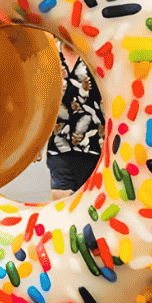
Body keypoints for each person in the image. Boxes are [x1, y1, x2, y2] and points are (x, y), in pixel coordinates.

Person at [45, 40, 103, 200]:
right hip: (59, 144)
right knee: (59, 196)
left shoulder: (94, 52)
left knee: (87, 202)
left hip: (92, 146)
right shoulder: (49, 52)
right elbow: (40, 100)